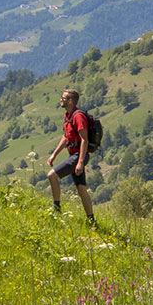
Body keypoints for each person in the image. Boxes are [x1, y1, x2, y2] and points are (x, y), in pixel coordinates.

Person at [47, 88, 95, 223]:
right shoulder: (68, 115)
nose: (61, 100)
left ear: (70, 101)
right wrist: (54, 155)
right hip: (74, 154)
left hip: (78, 155)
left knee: (52, 175)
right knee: (81, 189)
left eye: (63, 98)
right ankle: (91, 220)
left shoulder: (78, 116)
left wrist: (80, 162)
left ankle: (56, 209)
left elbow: (84, 139)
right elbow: (65, 137)